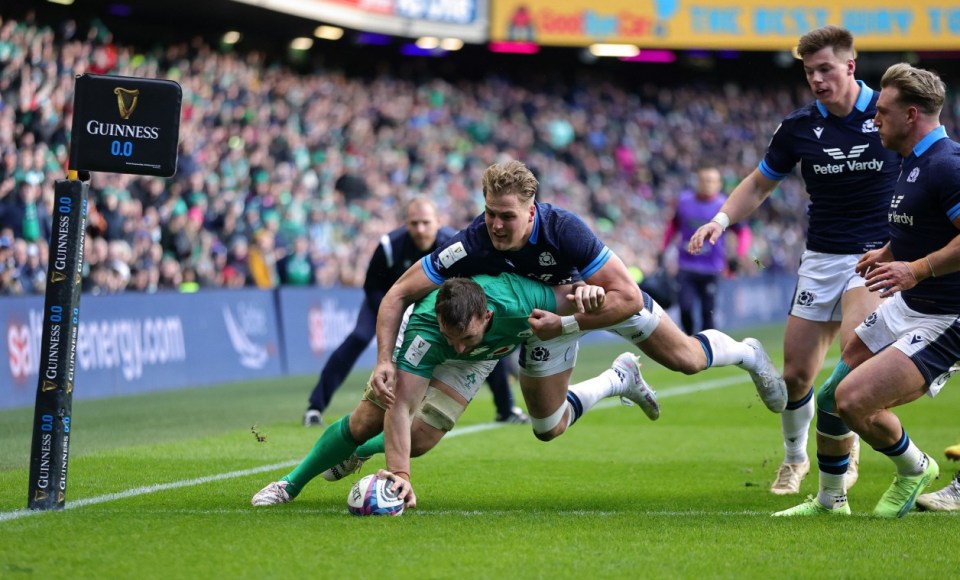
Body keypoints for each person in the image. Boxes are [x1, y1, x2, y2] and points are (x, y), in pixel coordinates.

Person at [371, 160, 785, 468]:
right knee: (547, 427)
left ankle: (747, 353)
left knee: (687, 361)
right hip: (546, 324)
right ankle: (617, 380)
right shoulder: (473, 240)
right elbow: (397, 295)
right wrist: (385, 359)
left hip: (598, 305)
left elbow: (627, 296)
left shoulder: (563, 229)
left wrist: (566, 322)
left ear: (531, 211)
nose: (495, 225)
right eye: (490, 213)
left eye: (507, 216)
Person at [688, 25, 900, 495]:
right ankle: (794, 459)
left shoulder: (888, 114)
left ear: (850, 64)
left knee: (854, 358)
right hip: (820, 258)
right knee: (795, 375)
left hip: (874, 258)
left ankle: (843, 451)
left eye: (825, 68)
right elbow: (761, 184)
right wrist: (721, 221)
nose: (817, 79)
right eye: (809, 72)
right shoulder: (799, 126)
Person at [251, 274, 645, 506]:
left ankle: (356, 455)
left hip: (485, 356)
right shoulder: (429, 329)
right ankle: (290, 484)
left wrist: (587, 291)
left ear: (488, 316)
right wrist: (400, 474)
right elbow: (401, 406)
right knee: (367, 420)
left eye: (465, 336)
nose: (457, 346)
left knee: (421, 439)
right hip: (424, 345)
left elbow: (583, 294)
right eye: (451, 335)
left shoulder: (523, 303)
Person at [774, 63, 958, 518]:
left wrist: (915, 269)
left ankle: (915, 467)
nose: (874, 119)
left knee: (852, 400)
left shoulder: (946, 164)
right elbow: (925, 225)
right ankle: (830, 501)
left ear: (911, 115)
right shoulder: (912, 161)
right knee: (826, 397)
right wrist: (888, 251)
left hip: (945, 317)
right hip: (908, 305)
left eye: (883, 112)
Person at [303, 197, 528, 427]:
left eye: (426, 223)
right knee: (358, 338)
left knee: (479, 337)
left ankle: (506, 409)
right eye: (414, 223)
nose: (420, 230)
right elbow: (372, 288)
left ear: (438, 222)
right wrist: (395, 316)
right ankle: (315, 407)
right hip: (391, 303)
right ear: (405, 224)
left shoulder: (456, 245)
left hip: (434, 310)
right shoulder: (390, 246)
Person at [662, 166, 751, 334]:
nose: (706, 184)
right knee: (685, 308)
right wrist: (663, 249)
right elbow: (672, 227)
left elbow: (743, 232)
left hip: (712, 268)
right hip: (686, 266)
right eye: (703, 180)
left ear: (718, 184)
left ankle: (708, 351)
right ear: (696, 182)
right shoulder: (684, 202)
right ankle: (688, 345)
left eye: (711, 180)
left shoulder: (725, 206)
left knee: (707, 312)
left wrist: (739, 255)